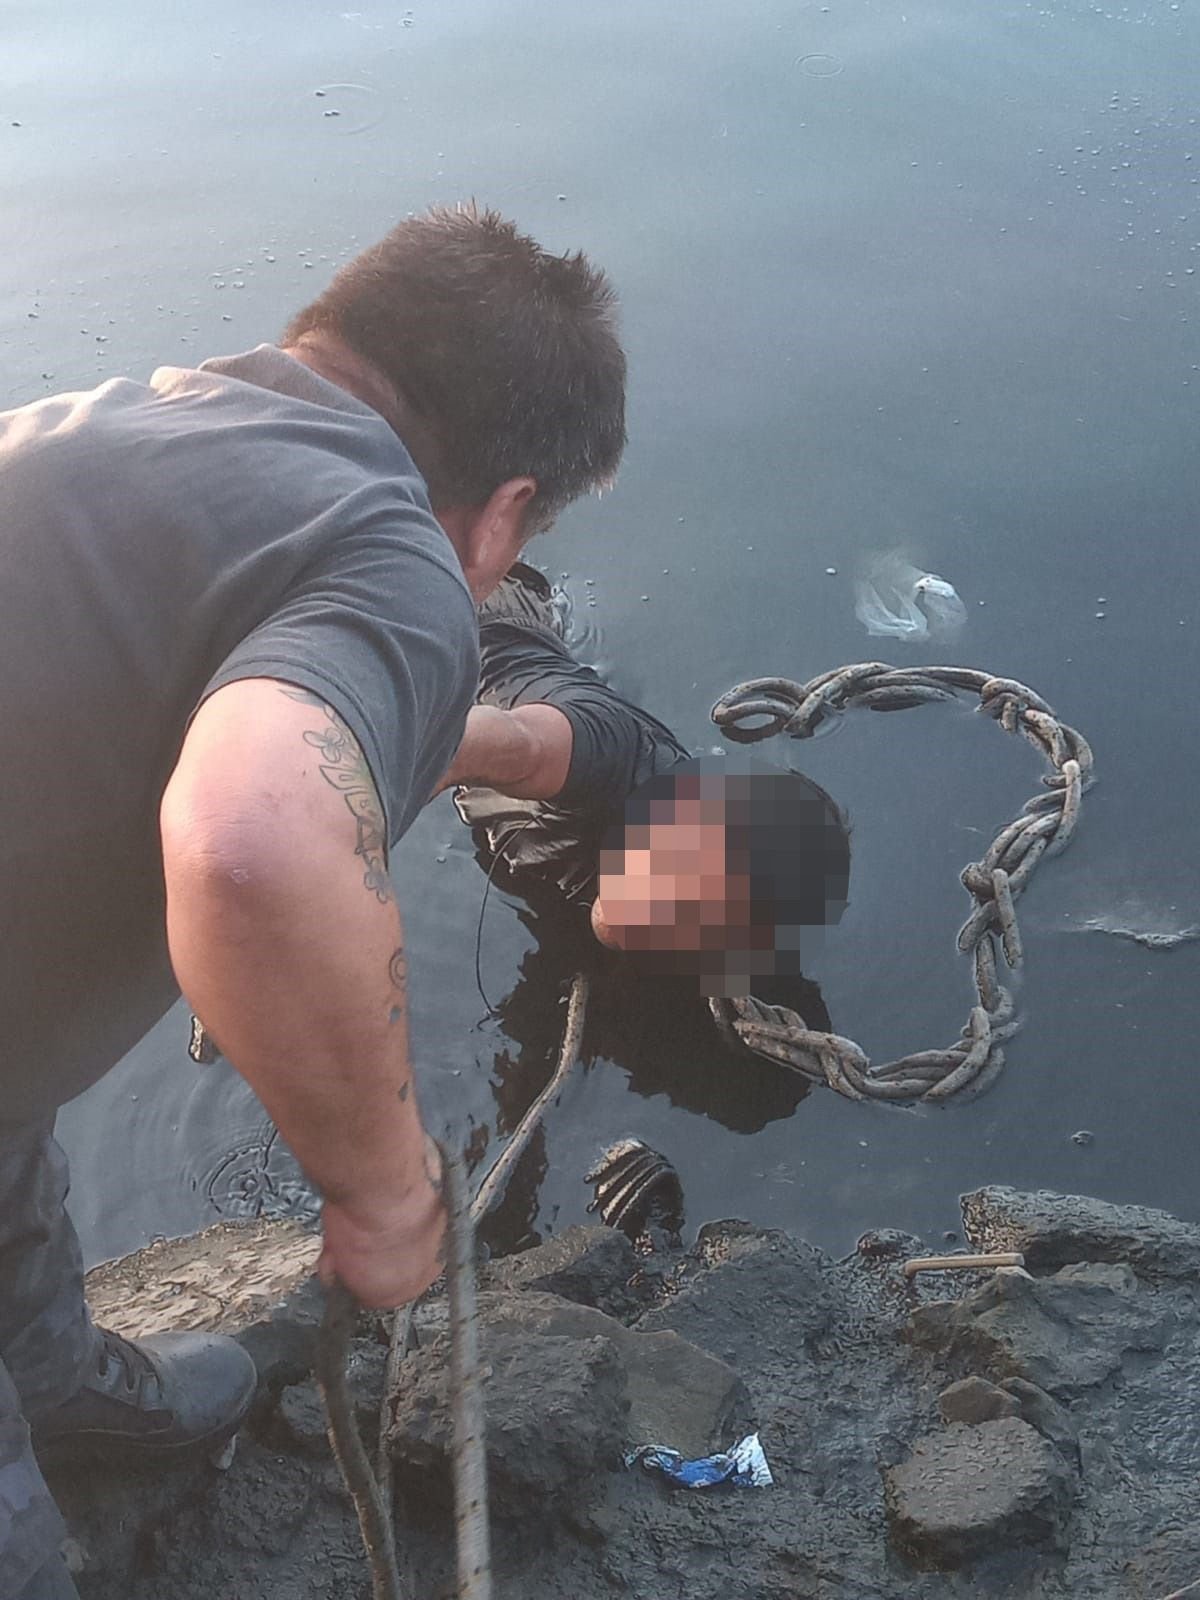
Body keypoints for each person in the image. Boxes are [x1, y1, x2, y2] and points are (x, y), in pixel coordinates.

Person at [0, 204, 625, 1599]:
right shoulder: (395, 560)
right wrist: (386, 1191)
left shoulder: (116, 431)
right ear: (510, 509)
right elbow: (255, 840)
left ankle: (52, 1384)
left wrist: (499, 741)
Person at [442, 565, 851, 1248]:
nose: (656, 910)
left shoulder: (718, 926)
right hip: (458, 621)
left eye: (692, 916)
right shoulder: (599, 754)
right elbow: (455, 740)